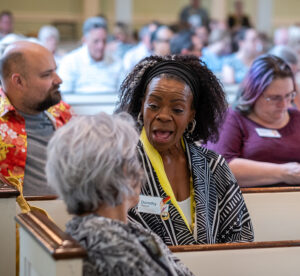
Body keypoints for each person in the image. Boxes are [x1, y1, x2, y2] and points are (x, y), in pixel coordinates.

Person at [116, 55, 254, 245]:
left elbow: (241, 235)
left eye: (178, 109)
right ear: (142, 106)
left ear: (191, 115)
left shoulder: (213, 166)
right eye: (154, 106)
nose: (163, 116)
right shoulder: (120, 166)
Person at [46, 112, 194, 276]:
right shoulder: (108, 241)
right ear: (123, 171)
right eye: (134, 159)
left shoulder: (96, 227)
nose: (140, 169)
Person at [208, 55, 300, 187]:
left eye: (289, 95)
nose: (284, 104)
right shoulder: (232, 119)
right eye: (274, 98)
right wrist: (284, 172)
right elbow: (217, 167)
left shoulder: (296, 118)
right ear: (253, 93)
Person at [0, 41, 72, 195]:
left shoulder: (62, 112)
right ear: (18, 81)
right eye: (47, 74)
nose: (58, 80)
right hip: (19, 217)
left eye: (55, 71)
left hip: (72, 213)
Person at [58, 16, 122, 93]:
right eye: (96, 41)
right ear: (85, 40)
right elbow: (64, 95)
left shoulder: (117, 62)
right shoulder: (70, 62)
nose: (101, 46)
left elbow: (124, 95)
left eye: (104, 41)